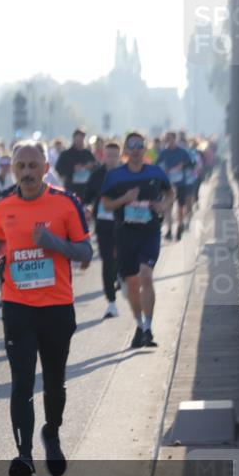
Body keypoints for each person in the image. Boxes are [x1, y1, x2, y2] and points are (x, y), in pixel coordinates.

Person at [0, 141, 93, 476]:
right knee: (21, 383)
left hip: (57, 307)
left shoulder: (66, 202)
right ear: (12, 169)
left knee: (54, 383)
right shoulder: (3, 205)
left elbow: (85, 252)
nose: (27, 172)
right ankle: (24, 456)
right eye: (21, 166)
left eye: (33, 166)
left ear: (46, 168)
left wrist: (51, 242)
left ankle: (52, 432)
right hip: (17, 307)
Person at [101, 132, 174, 348]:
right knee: (132, 284)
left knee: (146, 276)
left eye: (139, 145)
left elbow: (170, 193)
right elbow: (106, 205)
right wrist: (125, 199)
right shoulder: (115, 176)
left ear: (145, 148)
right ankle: (140, 325)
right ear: (125, 150)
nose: (135, 149)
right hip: (125, 233)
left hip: (149, 231)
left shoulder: (155, 172)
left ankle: (149, 329)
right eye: (131, 145)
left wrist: (163, 205)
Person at [84, 141, 124, 319]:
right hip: (103, 224)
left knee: (120, 258)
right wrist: (87, 207)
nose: (111, 159)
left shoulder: (127, 174)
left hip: (124, 224)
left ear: (120, 156)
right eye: (108, 155)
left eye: (115, 156)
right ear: (103, 156)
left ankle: (119, 274)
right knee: (107, 261)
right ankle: (111, 303)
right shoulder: (97, 175)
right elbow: (88, 197)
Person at [155, 131, 193, 241]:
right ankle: (169, 230)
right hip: (168, 184)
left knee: (180, 207)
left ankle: (180, 226)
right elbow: (157, 166)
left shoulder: (182, 152)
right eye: (166, 139)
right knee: (168, 207)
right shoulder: (163, 153)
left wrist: (182, 166)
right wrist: (163, 170)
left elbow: (190, 164)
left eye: (170, 138)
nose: (168, 141)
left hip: (181, 183)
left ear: (174, 139)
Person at [55, 128, 96, 204]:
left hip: (86, 190)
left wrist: (91, 166)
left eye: (81, 140)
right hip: (71, 188)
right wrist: (73, 169)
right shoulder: (66, 154)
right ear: (74, 139)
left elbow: (97, 167)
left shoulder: (88, 153)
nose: (80, 142)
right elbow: (58, 168)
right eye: (78, 140)